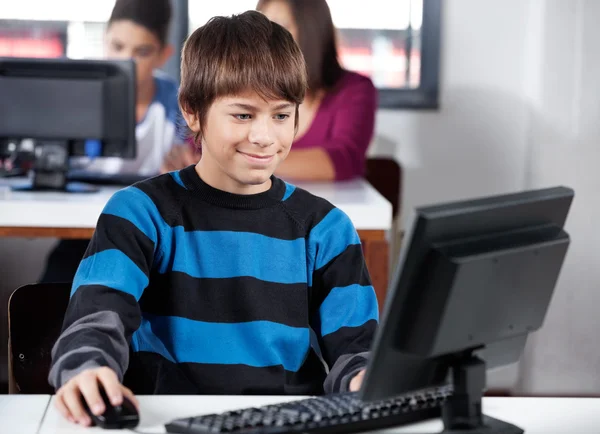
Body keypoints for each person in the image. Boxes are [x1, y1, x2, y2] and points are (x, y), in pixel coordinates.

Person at [48, 11, 378, 427]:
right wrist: (88, 368)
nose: (264, 137)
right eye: (242, 115)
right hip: (167, 419)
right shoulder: (139, 213)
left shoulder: (326, 228)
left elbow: (358, 349)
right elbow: (97, 315)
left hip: (286, 422)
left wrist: (368, 377)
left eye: (280, 115)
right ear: (192, 110)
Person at [39, 0, 187, 284]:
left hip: (147, 236)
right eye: (117, 47)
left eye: (141, 52)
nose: (126, 61)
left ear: (163, 55)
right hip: (82, 235)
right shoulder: (79, 100)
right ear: (104, 41)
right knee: (51, 290)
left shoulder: (179, 106)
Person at [255, 0, 378, 181]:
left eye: (280, 28)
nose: (264, 41)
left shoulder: (355, 89)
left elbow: (344, 159)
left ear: (311, 32)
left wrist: (247, 161)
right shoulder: (249, 88)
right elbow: (203, 144)